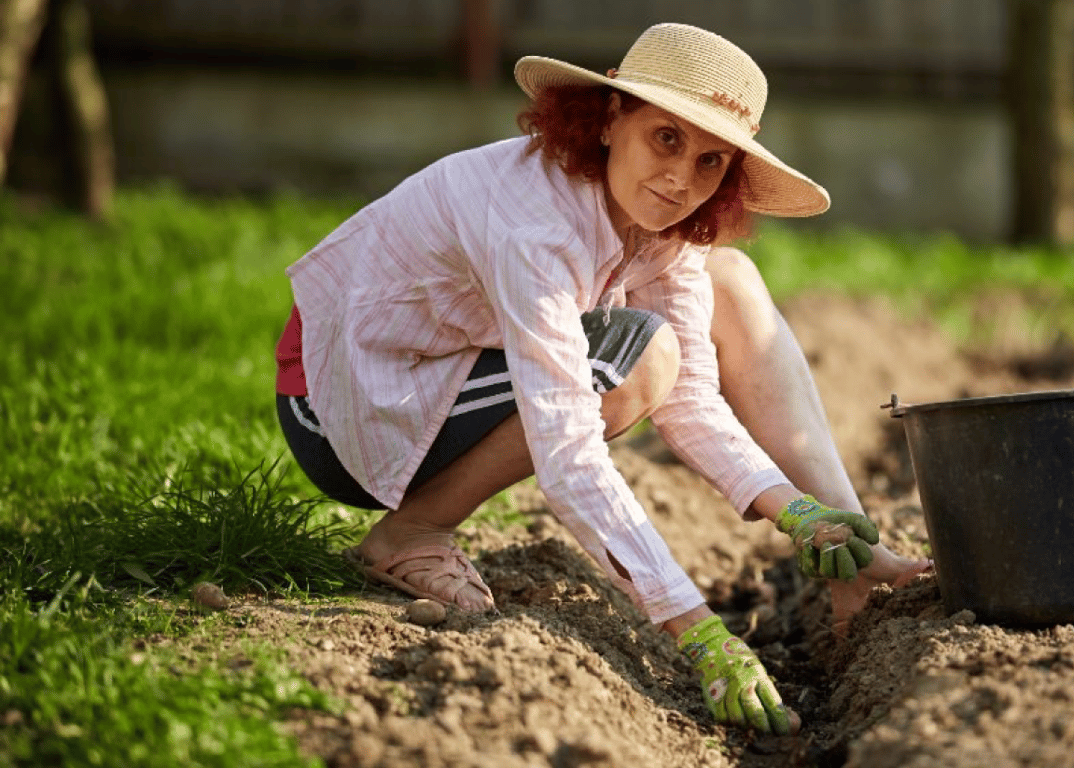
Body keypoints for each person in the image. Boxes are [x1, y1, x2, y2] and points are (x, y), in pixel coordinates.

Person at [274, 22, 931, 735]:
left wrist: (795, 512)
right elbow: (568, 452)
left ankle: (418, 522)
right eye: (667, 138)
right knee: (638, 358)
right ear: (612, 117)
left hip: (438, 372)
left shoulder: (666, 228)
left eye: (711, 160)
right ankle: (413, 531)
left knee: (655, 358)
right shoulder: (537, 225)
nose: (682, 178)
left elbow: (689, 400)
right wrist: (696, 629)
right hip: (339, 396)